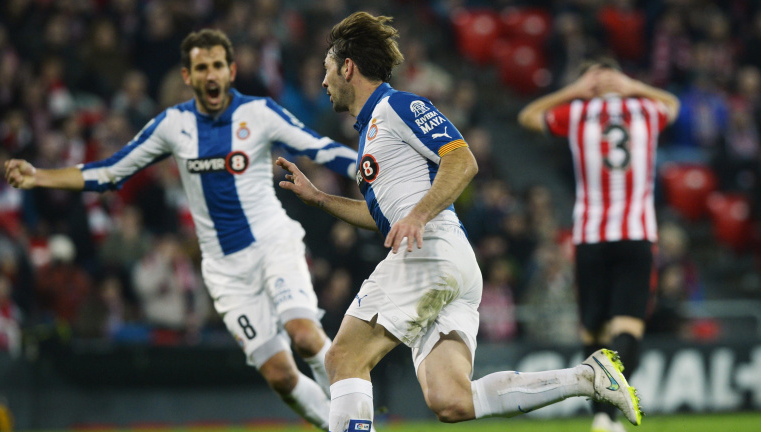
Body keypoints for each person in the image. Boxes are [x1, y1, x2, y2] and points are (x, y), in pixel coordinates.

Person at [275, 12, 643, 432]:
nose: (323, 82)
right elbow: (385, 219)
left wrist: (418, 215)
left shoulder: (397, 106)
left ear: (347, 67)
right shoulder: (371, 131)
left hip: (429, 252)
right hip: (450, 263)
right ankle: (588, 378)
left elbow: (462, 160)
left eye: (326, 69)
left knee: (343, 358)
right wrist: (320, 199)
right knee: (451, 400)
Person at [5, 29, 360, 431]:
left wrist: (369, 168)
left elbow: (320, 148)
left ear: (231, 71)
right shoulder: (173, 125)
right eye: (201, 67)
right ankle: (339, 423)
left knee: (305, 336)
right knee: (279, 375)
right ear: (188, 76)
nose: (211, 74)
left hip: (273, 244)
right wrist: (40, 176)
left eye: (218, 65)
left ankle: (357, 422)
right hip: (225, 270)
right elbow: (110, 171)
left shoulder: (259, 113)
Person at [518, 58, 679, 432]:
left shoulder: (576, 114)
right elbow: (674, 105)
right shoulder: (646, 110)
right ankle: (608, 415)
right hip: (637, 234)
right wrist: (636, 87)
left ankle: (602, 417)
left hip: (591, 236)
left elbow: (527, 116)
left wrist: (573, 92)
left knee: (593, 332)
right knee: (628, 329)